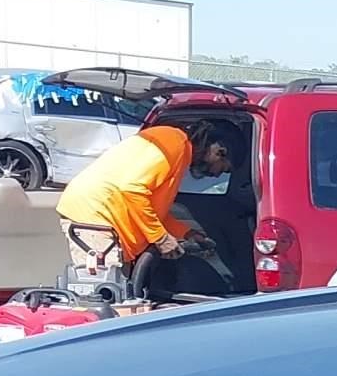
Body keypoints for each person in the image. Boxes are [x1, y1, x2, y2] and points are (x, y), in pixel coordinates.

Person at [55, 121, 232, 298]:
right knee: (106, 295)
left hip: (103, 213)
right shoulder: (173, 144)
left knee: (121, 292)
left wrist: (187, 233)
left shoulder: (175, 147)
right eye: (224, 168)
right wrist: (160, 238)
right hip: (95, 216)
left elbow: (152, 208)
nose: (217, 174)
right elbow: (132, 190)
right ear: (218, 151)